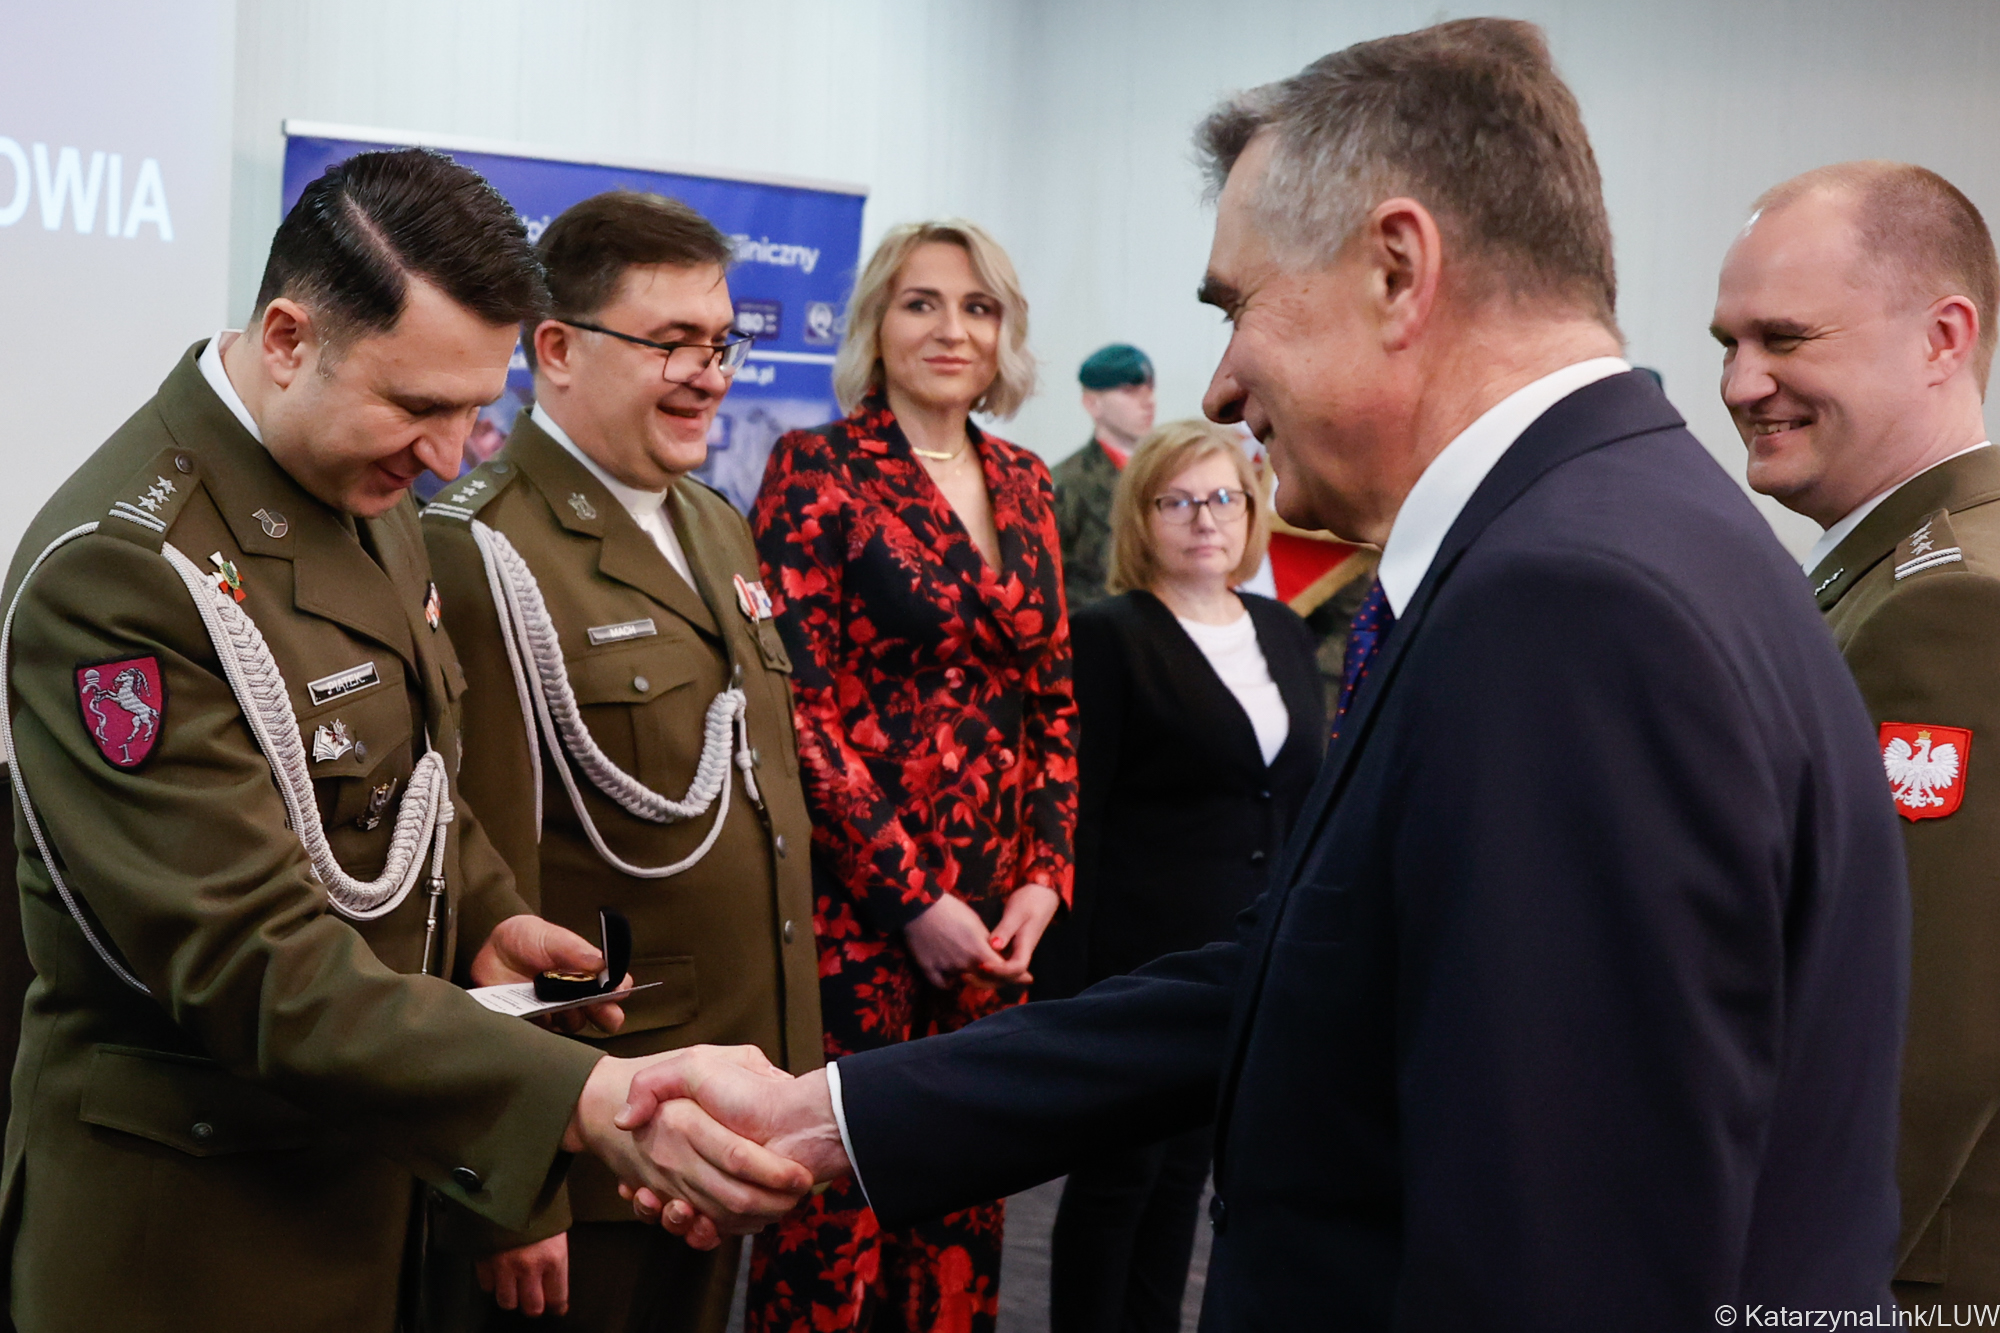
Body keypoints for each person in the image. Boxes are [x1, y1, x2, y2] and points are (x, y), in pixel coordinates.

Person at [619, 20, 1912, 1330]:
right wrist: (833, 1113)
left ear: (1398, 270)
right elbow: (1311, 967)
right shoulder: (1623, 530)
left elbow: (1560, 1249)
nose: (1223, 384)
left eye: (1236, 307)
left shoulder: (1568, 608)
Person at [0, 148, 810, 1333]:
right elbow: (255, 963)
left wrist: (488, 916)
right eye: (419, 406)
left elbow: (411, 779)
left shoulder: (356, 487)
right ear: (289, 338)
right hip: (199, 1234)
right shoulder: (123, 572)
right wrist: (584, 1097)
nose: (448, 453)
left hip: (367, 1181)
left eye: (473, 410)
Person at [423, 191, 822, 1331]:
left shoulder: (713, 521)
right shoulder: (481, 546)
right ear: (555, 349)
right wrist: (515, 1185)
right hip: (602, 1131)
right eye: (672, 343)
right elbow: (483, 890)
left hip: (729, 1100)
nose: (708, 376)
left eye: (720, 343)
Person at [745, 219, 1076, 1331]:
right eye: (920, 302)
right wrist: (911, 899)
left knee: (962, 1203)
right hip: (857, 910)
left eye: (977, 307)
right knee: (832, 1214)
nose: (951, 329)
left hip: (993, 915)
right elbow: (794, 708)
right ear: (876, 325)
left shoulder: (1027, 481)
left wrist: (1043, 879)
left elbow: (1053, 698)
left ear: (1004, 333)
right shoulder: (816, 467)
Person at [1713, 162, 2000, 1307]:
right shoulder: (1906, 571)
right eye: (1728, 342)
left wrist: (1780, 1303)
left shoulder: (1950, 605)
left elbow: (1911, 1046)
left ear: (1941, 338)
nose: (1740, 382)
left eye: (1783, 337)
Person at [1049, 419, 1324, 1332]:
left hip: (1247, 959)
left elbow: (1296, 794)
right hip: (1137, 961)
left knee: (1184, 1183)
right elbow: (1081, 812)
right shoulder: (1110, 634)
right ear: (1143, 516)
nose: (1205, 519)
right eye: (1178, 501)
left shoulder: (1284, 631)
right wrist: (1071, 979)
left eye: (1224, 499)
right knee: (1117, 1180)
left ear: (1251, 512)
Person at [1053, 344, 1158, 612]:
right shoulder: (1065, 483)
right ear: (1093, 403)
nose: (1148, 401)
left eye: (1149, 388)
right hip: (1094, 626)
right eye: (1130, 391)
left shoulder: (1166, 474)